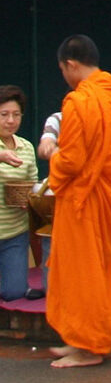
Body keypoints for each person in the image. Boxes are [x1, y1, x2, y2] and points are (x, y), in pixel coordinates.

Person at [45, 34, 111, 368]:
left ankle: (89, 345)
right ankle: (80, 338)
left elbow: (72, 161)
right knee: (95, 271)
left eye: (63, 69)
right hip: (105, 196)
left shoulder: (79, 101)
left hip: (83, 199)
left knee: (83, 275)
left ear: (70, 64)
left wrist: (54, 157)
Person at [35, 112, 111, 298]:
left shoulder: (104, 118)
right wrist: (61, 153)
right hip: (64, 194)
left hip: (96, 194)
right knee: (55, 289)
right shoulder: (59, 119)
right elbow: (45, 146)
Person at [0, 85, 39, 301]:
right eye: (4, 115)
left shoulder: (26, 147)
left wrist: (30, 199)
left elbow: (32, 184)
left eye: (16, 115)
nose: (10, 120)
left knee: (13, 293)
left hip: (15, 230)